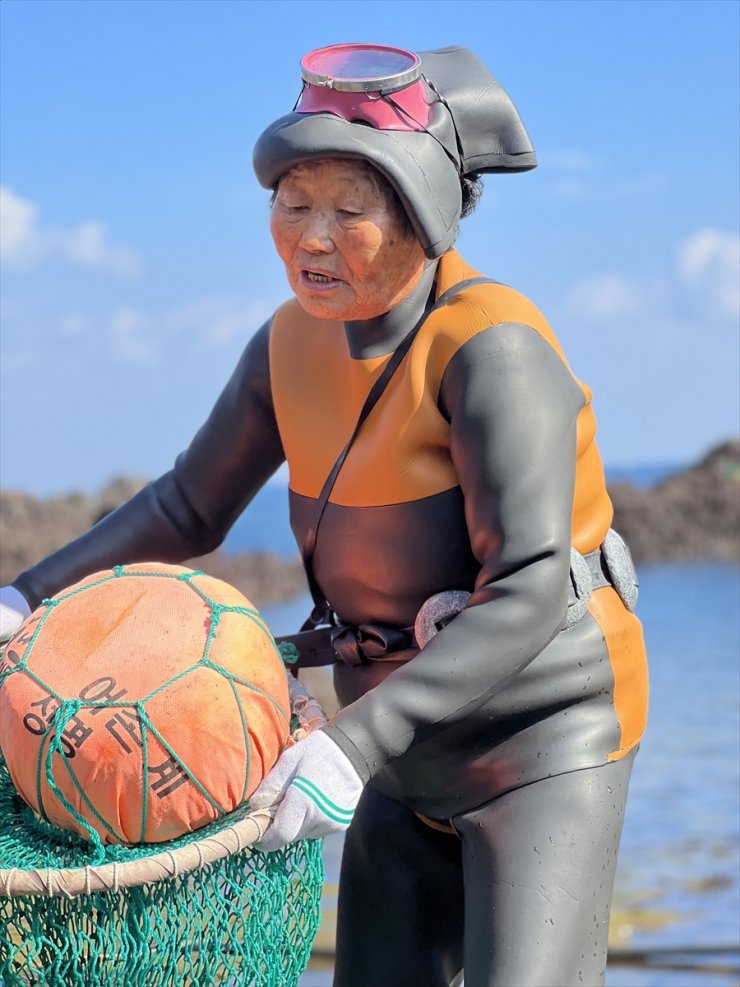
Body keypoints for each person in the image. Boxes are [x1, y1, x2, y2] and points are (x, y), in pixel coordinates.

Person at [0, 44, 648, 987]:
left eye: (350, 210)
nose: (312, 237)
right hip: (399, 733)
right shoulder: (289, 344)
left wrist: (344, 752)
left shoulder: (491, 348)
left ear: (424, 217)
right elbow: (188, 502)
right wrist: (26, 597)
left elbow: (530, 588)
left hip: (539, 737)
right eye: (292, 203)